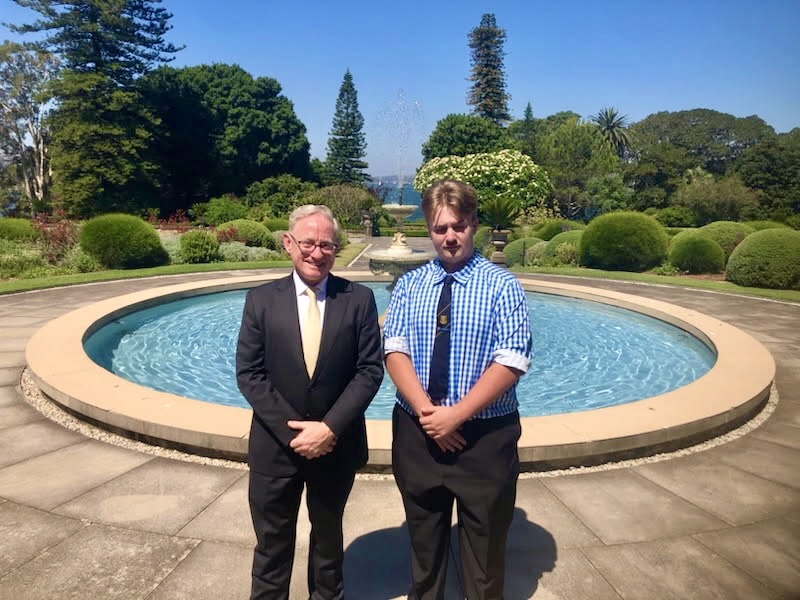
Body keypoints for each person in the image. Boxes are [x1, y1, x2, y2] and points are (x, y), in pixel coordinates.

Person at [383, 180, 532, 600]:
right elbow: (393, 348)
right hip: (418, 435)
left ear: (474, 224)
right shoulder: (410, 286)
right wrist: (430, 415)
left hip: (484, 439)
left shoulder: (503, 286)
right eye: (439, 228)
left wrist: (456, 415)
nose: (449, 236)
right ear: (428, 230)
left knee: (484, 555)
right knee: (424, 543)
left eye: (458, 226)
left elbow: (512, 358)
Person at [236, 204, 383, 600]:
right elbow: (250, 374)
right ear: (288, 243)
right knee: (271, 548)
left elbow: (369, 371)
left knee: (329, 546)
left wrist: (329, 428)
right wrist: (296, 433)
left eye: (327, 245)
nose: (317, 253)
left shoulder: (359, 300)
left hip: (336, 447)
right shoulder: (261, 300)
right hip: (274, 449)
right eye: (308, 243)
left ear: (336, 249)